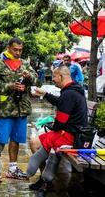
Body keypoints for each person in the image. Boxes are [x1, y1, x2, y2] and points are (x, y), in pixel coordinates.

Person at [26, 66, 88, 197]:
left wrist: (50, 126)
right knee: (35, 141)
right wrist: (45, 94)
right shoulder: (72, 89)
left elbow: (60, 122)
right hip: (73, 132)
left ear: (61, 76)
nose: (53, 79)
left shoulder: (69, 93)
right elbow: (60, 102)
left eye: (54, 76)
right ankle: (45, 180)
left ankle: (46, 181)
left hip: (71, 136)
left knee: (35, 142)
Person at [0, 37, 37, 182]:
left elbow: (36, 79)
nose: (18, 52)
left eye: (20, 50)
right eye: (15, 49)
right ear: (8, 47)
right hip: (5, 109)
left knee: (16, 139)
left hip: (21, 108)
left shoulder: (25, 63)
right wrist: (11, 86)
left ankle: (13, 168)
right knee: (2, 139)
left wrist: (28, 79)